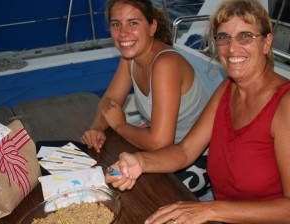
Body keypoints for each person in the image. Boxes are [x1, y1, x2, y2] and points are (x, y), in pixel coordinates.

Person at [105, 0, 290, 223]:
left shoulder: (284, 105)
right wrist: (140, 162)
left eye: (245, 36)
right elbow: (185, 151)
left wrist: (210, 210)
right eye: (223, 38)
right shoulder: (228, 88)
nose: (232, 48)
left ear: (267, 43)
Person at [80, 0, 210, 198]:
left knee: (131, 193)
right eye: (116, 24)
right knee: (106, 175)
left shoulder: (165, 64)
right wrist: (97, 126)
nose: (123, 33)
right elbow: (110, 99)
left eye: (133, 23)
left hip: (199, 156)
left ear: (152, 27)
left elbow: (160, 143)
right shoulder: (130, 57)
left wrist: (120, 125)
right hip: (166, 148)